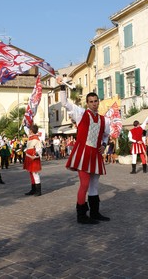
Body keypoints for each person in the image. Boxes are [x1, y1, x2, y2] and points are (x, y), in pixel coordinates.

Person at [59, 78, 110, 224]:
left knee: (94, 184)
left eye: (96, 101)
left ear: (98, 102)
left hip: (95, 154)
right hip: (83, 154)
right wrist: (62, 86)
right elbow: (65, 103)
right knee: (85, 183)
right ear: (87, 103)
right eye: (91, 101)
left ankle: (95, 213)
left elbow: (106, 134)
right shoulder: (80, 113)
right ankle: (81, 215)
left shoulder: (103, 120)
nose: (94, 103)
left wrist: (104, 144)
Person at [23, 125, 43, 196]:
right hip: (29, 157)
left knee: (35, 173)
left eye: (29, 130)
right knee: (31, 173)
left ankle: (38, 190)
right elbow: (25, 128)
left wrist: (35, 156)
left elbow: (39, 149)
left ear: (31, 131)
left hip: (33, 157)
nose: (28, 131)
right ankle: (33, 189)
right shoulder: (30, 137)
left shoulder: (36, 139)